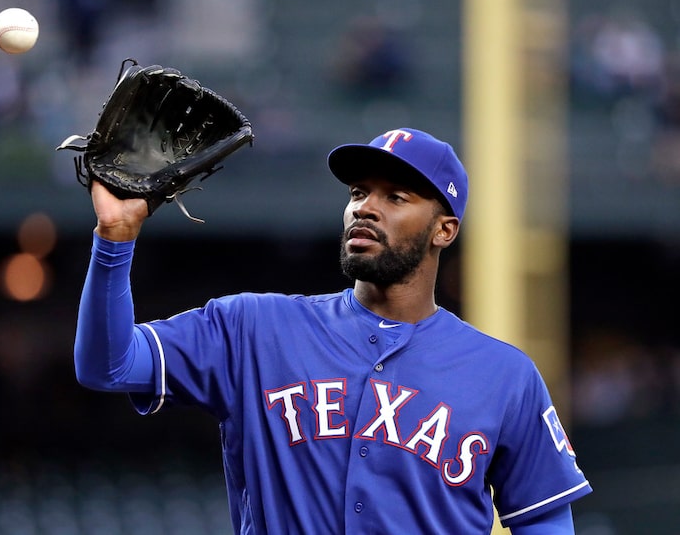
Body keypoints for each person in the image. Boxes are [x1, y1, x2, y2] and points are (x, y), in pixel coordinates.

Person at [73, 127, 593, 534]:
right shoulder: (254, 328)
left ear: (444, 229)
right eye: (359, 192)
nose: (366, 207)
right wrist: (114, 240)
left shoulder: (504, 376)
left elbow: (543, 518)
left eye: (396, 197)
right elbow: (107, 365)